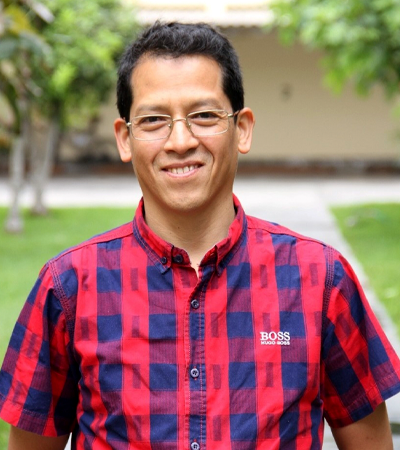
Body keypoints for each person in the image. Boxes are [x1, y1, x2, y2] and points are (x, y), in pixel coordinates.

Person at [1, 21, 400, 450]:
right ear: (125, 138)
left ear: (242, 129)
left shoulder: (320, 280)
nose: (180, 141)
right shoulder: (68, 287)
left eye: (204, 116)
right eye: (153, 120)